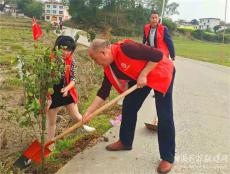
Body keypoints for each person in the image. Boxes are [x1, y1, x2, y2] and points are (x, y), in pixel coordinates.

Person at [84, 39, 176, 173]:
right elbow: (103, 92)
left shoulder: (126, 48)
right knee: (129, 105)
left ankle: (167, 157)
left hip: (160, 71)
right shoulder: (109, 66)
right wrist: (89, 112)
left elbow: (157, 55)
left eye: (95, 59)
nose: (95, 63)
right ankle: (125, 141)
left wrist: (144, 74)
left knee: (164, 114)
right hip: (141, 78)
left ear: (103, 52)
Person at [46, 36, 95, 144]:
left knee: (76, 116)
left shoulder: (71, 61)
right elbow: (43, 79)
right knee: (51, 122)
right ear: (57, 47)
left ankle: (83, 127)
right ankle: (49, 144)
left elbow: (73, 79)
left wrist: (67, 88)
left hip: (66, 91)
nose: (66, 52)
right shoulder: (48, 60)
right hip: (52, 94)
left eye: (69, 50)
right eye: (63, 49)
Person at [143, 10, 176, 129]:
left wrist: (173, 54)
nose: (154, 20)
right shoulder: (146, 28)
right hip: (151, 56)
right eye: (152, 18)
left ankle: (158, 92)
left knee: (160, 78)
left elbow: (169, 42)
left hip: (162, 57)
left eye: (156, 18)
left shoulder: (163, 29)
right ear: (149, 18)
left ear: (158, 19)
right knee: (151, 74)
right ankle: (155, 90)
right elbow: (144, 40)